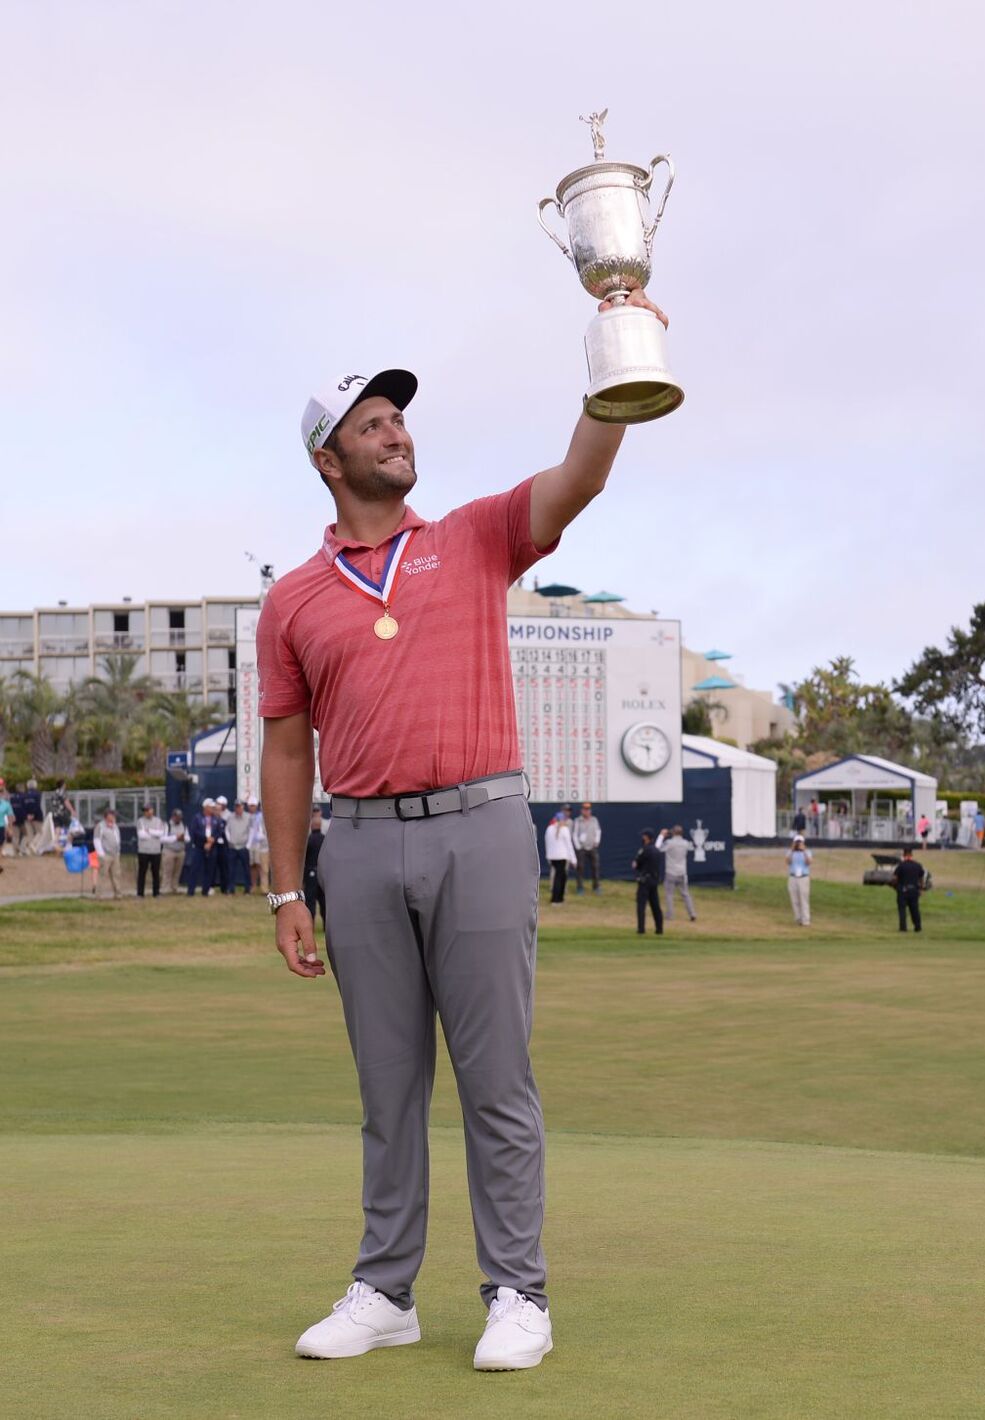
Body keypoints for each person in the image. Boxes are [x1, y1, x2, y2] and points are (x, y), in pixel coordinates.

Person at [257, 304, 669, 1371]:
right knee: (386, 1085)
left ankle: (516, 1294)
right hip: (359, 846)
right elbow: (288, 750)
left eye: (397, 418)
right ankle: (386, 1289)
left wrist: (615, 365)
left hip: (481, 827)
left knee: (496, 1080)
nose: (395, 431)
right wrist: (284, 889)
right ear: (327, 457)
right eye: (373, 422)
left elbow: (577, 476)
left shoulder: (474, 536)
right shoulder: (292, 599)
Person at [655, 825, 697, 922]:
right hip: (682, 872)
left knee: (669, 895)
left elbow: (657, 848)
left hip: (671, 872)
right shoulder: (685, 843)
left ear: (673, 833)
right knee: (686, 894)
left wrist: (661, 836)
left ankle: (670, 915)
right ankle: (692, 913)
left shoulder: (669, 843)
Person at [632, 828, 664, 935]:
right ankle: (659, 929)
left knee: (641, 905)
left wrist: (636, 865)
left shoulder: (644, 850)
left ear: (647, 837)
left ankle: (641, 929)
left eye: (643, 836)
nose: (642, 838)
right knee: (655, 905)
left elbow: (636, 864)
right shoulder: (657, 851)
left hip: (644, 880)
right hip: (654, 881)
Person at [543, 811, 576, 904]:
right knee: (559, 877)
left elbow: (547, 843)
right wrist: (573, 859)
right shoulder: (564, 829)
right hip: (561, 858)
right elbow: (569, 845)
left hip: (553, 857)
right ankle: (555, 899)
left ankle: (560, 898)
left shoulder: (549, 828)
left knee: (562, 877)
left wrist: (548, 856)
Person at [891, 846, 926, 932]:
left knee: (902, 910)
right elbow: (921, 878)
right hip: (914, 890)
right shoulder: (918, 865)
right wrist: (921, 889)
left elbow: (895, 878)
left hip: (903, 890)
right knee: (915, 909)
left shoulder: (901, 866)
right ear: (911, 855)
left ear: (904, 855)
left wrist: (894, 886)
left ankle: (903, 928)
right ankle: (918, 927)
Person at [187, 799, 217, 897]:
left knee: (209, 870)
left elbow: (218, 831)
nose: (213, 808)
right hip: (199, 847)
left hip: (211, 847)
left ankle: (205, 891)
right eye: (211, 807)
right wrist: (205, 839)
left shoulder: (215, 819)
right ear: (205, 807)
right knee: (194, 869)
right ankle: (191, 891)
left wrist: (212, 840)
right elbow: (194, 831)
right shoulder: (197, 818)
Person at [302, 809, 327, 925]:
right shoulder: (325, 840)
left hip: (311, 873)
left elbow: (304, 859)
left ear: (311, 826)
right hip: (323, 874)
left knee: (310, 901)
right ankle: (326, 924)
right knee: (324, 901)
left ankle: (309, 923)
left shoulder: (309, 840)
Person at [136, 804, 165, 897]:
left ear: (153, 810)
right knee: (142, 872)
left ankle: (156, 893)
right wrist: (154, 833)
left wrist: (149, 831)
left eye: (149, 810)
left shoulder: (158, 821)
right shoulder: (140, 821)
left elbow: (160, 833)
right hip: (143, 851)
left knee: (156, 872)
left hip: (156, 851)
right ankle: (140, 893)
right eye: (145, 810)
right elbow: (141, 835)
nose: (147, 812)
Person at [572, 801, 602, 893]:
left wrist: (596, 841)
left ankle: (596, 887)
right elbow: (574, 835)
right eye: (585, 809)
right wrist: (578, 847)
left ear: (590, 811)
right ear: (582, 811)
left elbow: (598, 831)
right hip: (582, 848)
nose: (586, 811)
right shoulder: (577, 821)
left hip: (592, 848)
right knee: (580, 868)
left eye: (588, 809)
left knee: (595, 867)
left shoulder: (594, 820)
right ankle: (580, 888)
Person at [94, 809, 123, 899]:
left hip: (115, 855)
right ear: (107, 816)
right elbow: (97, 840)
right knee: (102, 875)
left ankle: (118, 894)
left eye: (114, 816)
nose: (114, 818)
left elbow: (117, 839)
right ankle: (99, 895)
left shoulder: (115, 827)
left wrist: (118, 852)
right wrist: (101, 854)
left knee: (116, 875)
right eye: (112, 816)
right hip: (105, 855)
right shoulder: (100, 826)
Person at [226, 800, 252, 893]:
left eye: (239, 806)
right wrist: (229, 840)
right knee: (231, 869)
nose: (238, 808)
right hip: (232, 847)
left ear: (242, 807)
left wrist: (248, 844)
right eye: (236, 806)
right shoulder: (230, 817)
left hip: (243, 847)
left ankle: (247, 889)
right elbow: (227, 830)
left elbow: (251, 831)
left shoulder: (248, 817)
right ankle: (231, 888)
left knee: (246, 869)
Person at [785, 834, 812, 925]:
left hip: (803, 877)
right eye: (797, 842)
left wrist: (804, 851)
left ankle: (806, 920)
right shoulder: (790, 852)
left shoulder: (807, 852)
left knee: (803, 899)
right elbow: (788, 862)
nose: (798, 844)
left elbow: (808, 862)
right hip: (793, 877)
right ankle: (798, 918)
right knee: (794, 899)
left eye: (800, 842)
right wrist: (792, 850)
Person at [161, 810, 188, 894]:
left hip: (180, 851)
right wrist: (176, 837)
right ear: (173, 816)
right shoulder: (167, 825)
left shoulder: (183, 825)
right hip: (169, 851)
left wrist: (183, 838)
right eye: (177, 817)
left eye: (180, 817)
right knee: (168, 871)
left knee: (177, 871)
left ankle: (174, 888)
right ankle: (165, 888)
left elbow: (188, 838)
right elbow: (162, 839)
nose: (178, 819)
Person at [247, 797, 269, 892]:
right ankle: (253, 886)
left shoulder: (266, 817)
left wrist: (263, 837)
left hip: (264, 847)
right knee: (254, 866)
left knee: (264, 868)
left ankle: (264, 888)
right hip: (254, 846)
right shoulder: (252, 817)